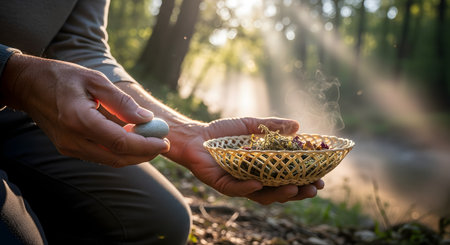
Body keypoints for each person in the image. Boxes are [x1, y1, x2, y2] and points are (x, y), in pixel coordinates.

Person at [0, 0, 324, 244]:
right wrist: (14, 74)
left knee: (160, 222)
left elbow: (80, 45)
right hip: (18, 92)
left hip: (21, 116)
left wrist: (185, 133)